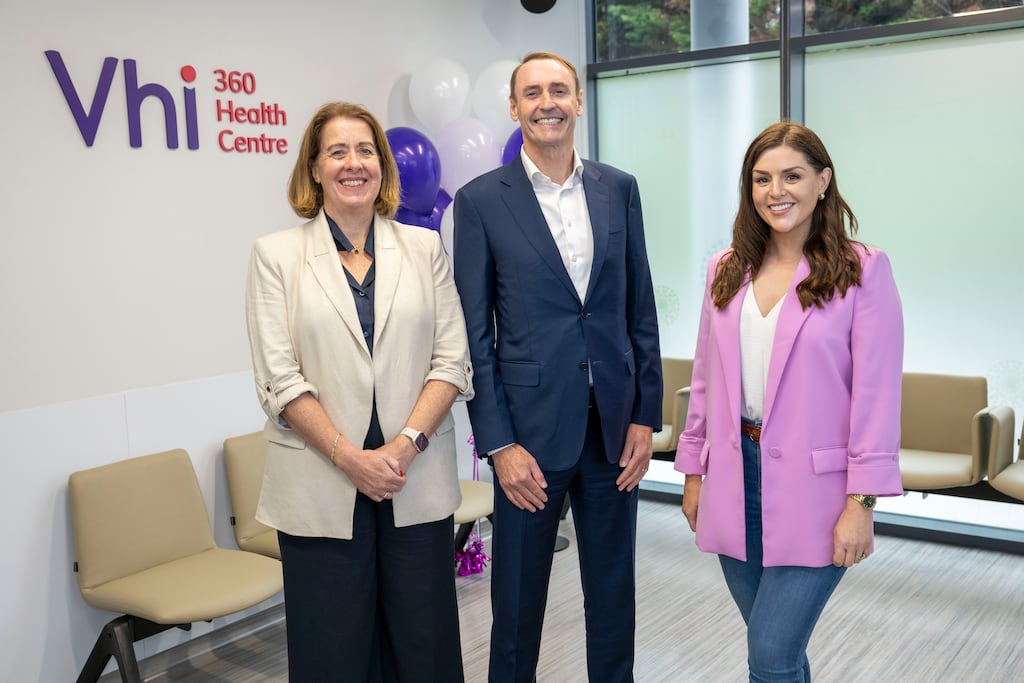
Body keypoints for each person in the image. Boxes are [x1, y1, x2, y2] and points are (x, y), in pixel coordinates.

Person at [245, 101, 474, 683]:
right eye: (337, 151)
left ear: (383, 167)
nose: (354, 163)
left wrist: (402, 448)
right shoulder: (277, 256)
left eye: (366, 150)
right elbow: (280, 376)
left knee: (424, 650)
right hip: (321, 484)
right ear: (314, 169)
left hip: (413, 477)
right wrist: (350, 457)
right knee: (333, 654)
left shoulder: (424, 251)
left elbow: (452, 359)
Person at [452, 52, 662, 683]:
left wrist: (645, 418)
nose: (548, 101)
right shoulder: (480, 201)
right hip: (528, 441)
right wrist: (499, 444)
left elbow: (639, 308)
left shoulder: (617, 188)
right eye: (533, 92)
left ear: (577, 102)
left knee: (613, 599)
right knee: (516, 606)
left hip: (612, 433)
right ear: (514, 108)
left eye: (560, 90)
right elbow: (472, 334)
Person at [675, 121, 904, 682]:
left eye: (792, 176)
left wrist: (863, 503)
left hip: (819, 491)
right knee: (777, 653)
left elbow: (876, 396)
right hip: (732, 479)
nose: (775, 191)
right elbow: (706, 378)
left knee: (772, 653)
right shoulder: (724, 270)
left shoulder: (862, 270)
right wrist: (693, 475)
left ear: (823, 181)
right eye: (761, 179)